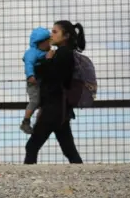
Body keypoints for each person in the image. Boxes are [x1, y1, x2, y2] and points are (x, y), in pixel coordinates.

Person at [24, 20, 85, 164]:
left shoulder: (63, 54)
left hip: (54, 109)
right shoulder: (63, 53)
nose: (51, 35)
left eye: (55, 32)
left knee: (32, 146)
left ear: (66, 36)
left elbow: (51, 76)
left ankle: (26, 180)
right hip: (60, 109)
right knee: (69, 149)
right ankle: (81, 174)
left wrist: (46, 61)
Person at [20, 27, 51, 134]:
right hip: (33, 82)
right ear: (40, 42)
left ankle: (39, 124)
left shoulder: (45, 52)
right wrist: (30, 75)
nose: (49, 43)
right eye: (48, 41)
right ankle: (25, 121)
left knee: (43, 102)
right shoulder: (31, 53)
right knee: (35, 101)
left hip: (42, 82)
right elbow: (29, 64)